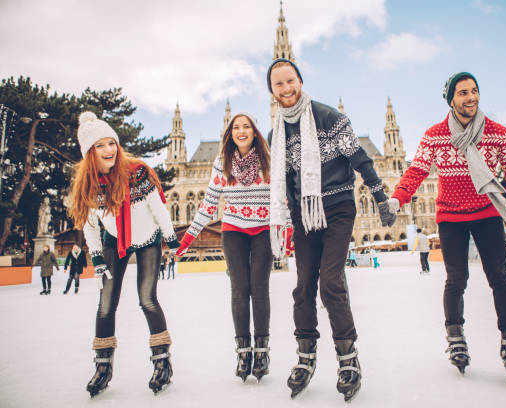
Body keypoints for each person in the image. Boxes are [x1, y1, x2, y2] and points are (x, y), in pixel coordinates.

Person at [388, 72, 506, 383]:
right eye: (462, 92)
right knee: (456, 279)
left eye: (474, 91)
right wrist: (399, 198)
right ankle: (456, 337)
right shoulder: (435, 135)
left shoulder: (496, 133)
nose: (470, 97)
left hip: (487, 211)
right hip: (451, 217)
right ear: (451, 99)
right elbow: (417, 171)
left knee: (499, 277)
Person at [267, 58, 396, 401]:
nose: (286, 88)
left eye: (290, 81)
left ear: (300, 81)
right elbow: (281, 182)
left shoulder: (329, 118)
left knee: (331, 280)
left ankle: (347, 357)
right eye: (278, 84)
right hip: (305, 217)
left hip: (338, 209)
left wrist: (380, 197)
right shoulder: (275, 134)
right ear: (272, 91)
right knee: (304, 284)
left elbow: (360, 159)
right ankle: (306, 355)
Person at [68, 112, 179, 396]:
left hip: (148, 237)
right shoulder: (90, 185)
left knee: (147, 298)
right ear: (89, 153)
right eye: (100, 146)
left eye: (111, 143)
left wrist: (171, 239)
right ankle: (103, 367)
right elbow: (90, 225)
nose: (109, 150)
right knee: (106, 303)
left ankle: (162, 362)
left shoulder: (137, 172)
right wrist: (97, 258)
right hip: (114, 239)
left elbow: (159, 209)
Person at [176, 112, 272, 382]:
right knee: (240, 290)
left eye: (246, 126)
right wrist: (190, 235)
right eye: (236, 127)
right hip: (233, 231)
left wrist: (286, 228)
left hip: (263, 230)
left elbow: (282, 197)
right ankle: (243, 351)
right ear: (229, 134)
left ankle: (262, 351)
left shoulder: (269, 160)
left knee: (260, 288)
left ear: (254, 131)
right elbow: (209, 203)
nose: (241, 131)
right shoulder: (222, 162)